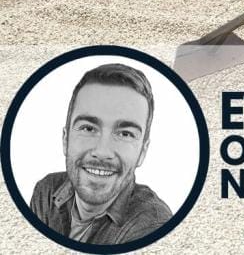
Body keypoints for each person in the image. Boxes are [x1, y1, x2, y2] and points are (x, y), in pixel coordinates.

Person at [29, 63, 172, 245]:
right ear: (65, 140)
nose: (102, 152)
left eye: (125, 134)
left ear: (143, 152)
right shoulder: (46, 191)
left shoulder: (153, 226)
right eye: (88, 128)